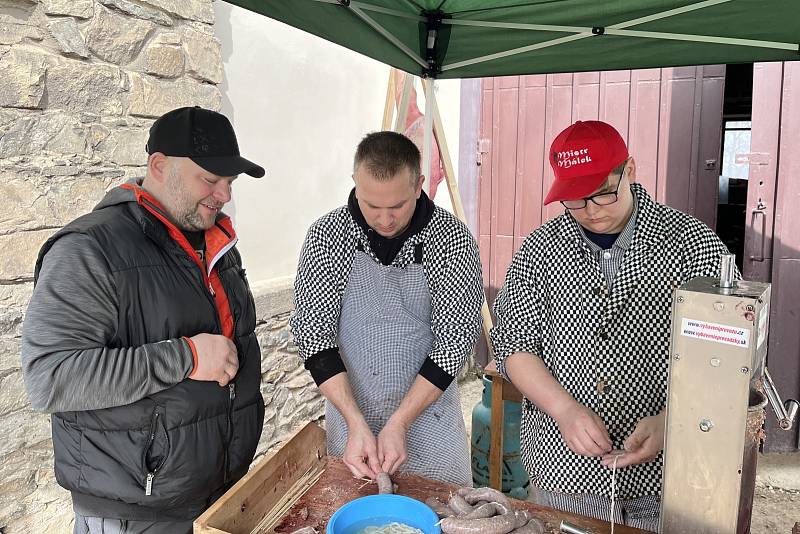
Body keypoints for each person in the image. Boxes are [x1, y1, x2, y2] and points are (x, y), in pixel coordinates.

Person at [21, 106, 267, 534]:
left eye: (229, 182)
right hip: (134, 513)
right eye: (210, 180)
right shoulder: (89, 249)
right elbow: (50, 378)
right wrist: (186, 357)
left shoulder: (218, 245)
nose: (224, 194)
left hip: (217, 496)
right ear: (159, 165)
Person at [490, 120, 735, 530]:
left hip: (669, 472)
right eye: (575, 200)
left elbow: (724, 358)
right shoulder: (539, 250)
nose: (590, 212)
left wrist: (672, 419)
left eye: (603, 194)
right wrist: (564, 409)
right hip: (564, 468)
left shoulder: (694, 245)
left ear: (631, 170)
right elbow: (514, 346)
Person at [291, 131, 484, 485]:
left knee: (441, 513)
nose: (384, 220)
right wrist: (354, 420)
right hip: (352, 417)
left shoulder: (453, 239)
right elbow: (312, 334)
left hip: (430, 420)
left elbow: (455, 341)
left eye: (396, 206)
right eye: (371, 205)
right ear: (355, 183)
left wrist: (400, 422)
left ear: (418, 185)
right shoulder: (327, 235)